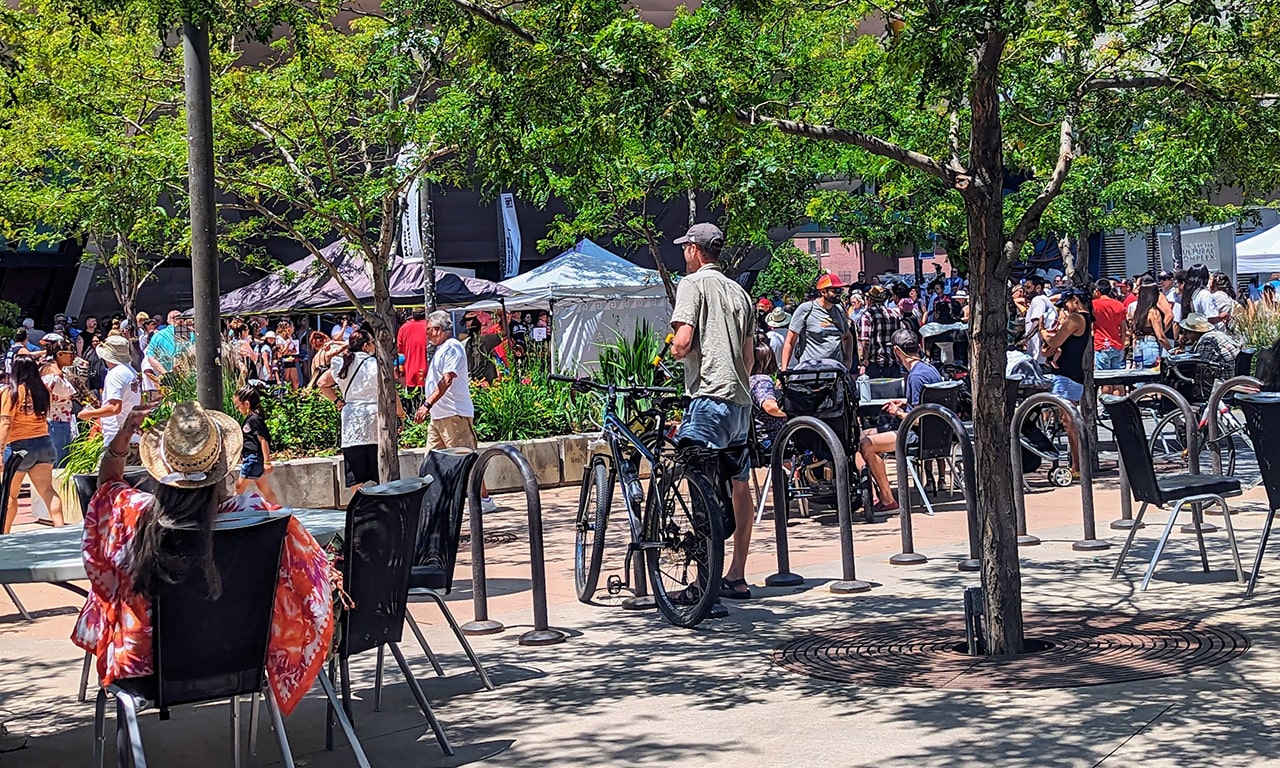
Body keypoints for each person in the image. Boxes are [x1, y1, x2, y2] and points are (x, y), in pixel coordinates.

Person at [70, 401, 333, 717]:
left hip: (149, 672)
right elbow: (312, 582)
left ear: (162, 467)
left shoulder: (136, 516)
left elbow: (107, 487)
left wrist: (123, 436)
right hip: (240, 662)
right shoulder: (259, 517)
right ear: (222, 467)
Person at [669, 222, 755, 602]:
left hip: (708, 396)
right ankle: (736, 575)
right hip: (740, 402)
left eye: (685, 248)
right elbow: (750, 359)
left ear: (694, 250)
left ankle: (705, 587)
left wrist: (673, 349)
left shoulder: (692, 285)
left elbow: (683, 342)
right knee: (740, 485)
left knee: (697, 482)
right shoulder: (740, 292)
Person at [411, 311, 496, 511]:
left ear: (439, 329)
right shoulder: (442, 349)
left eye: (429, 330)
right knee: (430, 460)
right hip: (439, 416)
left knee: (465, 458)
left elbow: (448, 379)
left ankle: (484, 499)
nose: (427, 335)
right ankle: (434, 501)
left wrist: (427, 404)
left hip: (453, 413)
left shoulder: (452, 347)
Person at [856, 329, 942, 513]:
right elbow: (927, 405)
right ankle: (874, 495)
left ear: (897, 351)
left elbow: (919, 420)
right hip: (937, 435)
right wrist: (905, 403)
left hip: (917, 436)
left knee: (865, 445)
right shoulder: (930, 370)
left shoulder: (916, 377)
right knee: (864, 434)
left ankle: (887, 500)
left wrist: (897, 412)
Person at [318, 330, 399, 488]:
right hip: (374, 417)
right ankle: (378, 504)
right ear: (366, 346)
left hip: (351, 420)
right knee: (377, 469)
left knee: (355, 473)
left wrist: (337, 401)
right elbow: (392, 392)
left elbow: (322, 383)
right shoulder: (376, 364)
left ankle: (359, 505)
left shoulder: (341, 362)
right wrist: (399, 415)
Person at [0, 356, 65, 532]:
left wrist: (0, 450)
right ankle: (61, 529)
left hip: (18, 447)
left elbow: (6, 422)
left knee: (9, 497)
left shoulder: (10, 392)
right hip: (44, 443)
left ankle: (4, 534)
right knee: (48, 491)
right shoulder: (43, 390)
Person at [78, 335, 142, 454]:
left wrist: (89, 414)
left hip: (116, 436)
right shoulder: (131, 371)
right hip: (131, 433)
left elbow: (114, 408)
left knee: (111, 471)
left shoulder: (115, 374)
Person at [780, 273, 854, 371]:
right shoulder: (806, 309)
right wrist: (783, 371)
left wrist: (848, 360)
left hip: (835, 372)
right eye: (836, 290)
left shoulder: (839, 310)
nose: (839, 294)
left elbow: (847, 337)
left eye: (840, 290)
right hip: (810, 372)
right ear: (823, 292)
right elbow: (790, 342)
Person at [233, 386, 282, 508]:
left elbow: (263, 440)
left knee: (239, 487)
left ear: (247, 404)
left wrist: (267, 461)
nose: (238, 409)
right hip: (253, 459)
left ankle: (232, 511)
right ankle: (276, 509)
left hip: (253, 459)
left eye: (238, 406)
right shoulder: (251, 419)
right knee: (264, 488)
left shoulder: (254, 420)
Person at [41, 340, 78, 466]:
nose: (73, 357)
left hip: (57, 419)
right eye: (71, 353)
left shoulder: (45, 369)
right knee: (60, 462)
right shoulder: (55, 375)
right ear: (60, 354)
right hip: (57, 421)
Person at [1091, 279, 1129, 393]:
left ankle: (1107, 408)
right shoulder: (1119, 305)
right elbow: (1123, 327)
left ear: (1097, 291)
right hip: (1117, 345)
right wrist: (1122, 344)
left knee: (1105, 380)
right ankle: (1119, 406)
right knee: (1117, 379)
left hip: (1102, 345)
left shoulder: (1093, 305)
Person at [749, 340, 786, 451]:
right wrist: (789, 414)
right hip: (771, 438)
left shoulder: (750, 380)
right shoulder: (762, 381)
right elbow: (769, 406)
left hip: (761, 436)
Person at [860, 285, 903, 378]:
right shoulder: (895, 314)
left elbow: (865, 341)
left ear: (870, 299)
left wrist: (864, 360)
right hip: (893, 363)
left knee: (875, 392)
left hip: (875, 364)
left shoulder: (867, 315)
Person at [1131, 279, 1173, 367]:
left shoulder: (1138, 312)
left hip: (1138, 346)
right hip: (1151, 345)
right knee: (1152, 376)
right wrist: (1171, 351)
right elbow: (1160, 337)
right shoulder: (1153, 312)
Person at [1022, 275, 1057, 365]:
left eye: (1028, 287)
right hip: (1040, 355)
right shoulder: (1044, 300)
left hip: (1039, 357)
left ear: (1038, 288)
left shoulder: (1038, 300)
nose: (1025, 291)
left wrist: (1025, 339)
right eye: (1025, 287)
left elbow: (1037, 323)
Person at [397, 308, 429, 398]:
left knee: (413, 405)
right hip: (429, 371)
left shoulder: (404, 328)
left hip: (411, 373)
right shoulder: (430, 327)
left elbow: (400, 351)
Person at [275, 321, 301, 388]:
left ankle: (295, 395)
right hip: (284, 361)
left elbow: (294, 350)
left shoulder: (289, 337)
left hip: (291, 359)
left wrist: (290, 351)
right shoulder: (279, 338)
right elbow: (282, 353)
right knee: (287, 380)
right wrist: (287, 344)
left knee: (296, 381)